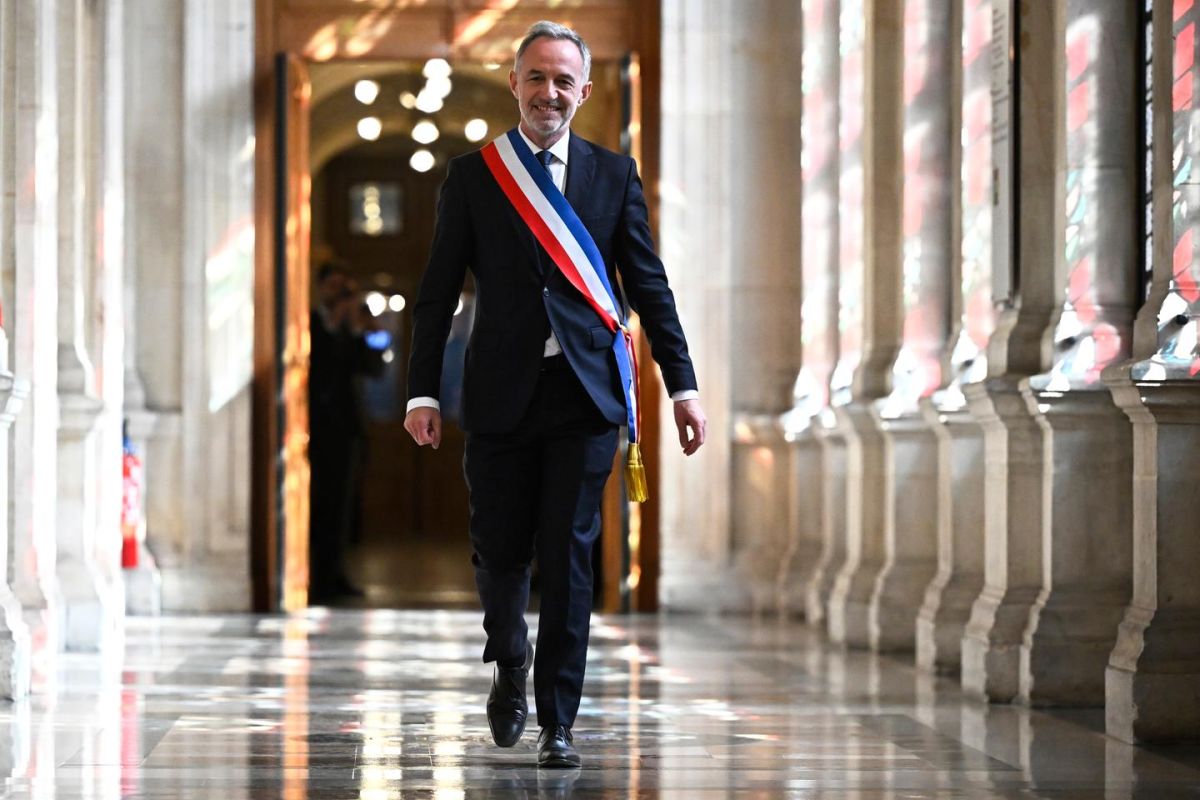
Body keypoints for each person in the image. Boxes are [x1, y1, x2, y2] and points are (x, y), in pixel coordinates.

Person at [404, 21, 706, 768]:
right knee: (500, 547)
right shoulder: (474, 177)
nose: (549, 93)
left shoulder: (613, 175)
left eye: (563, 81)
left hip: (585, 396)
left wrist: (683, 385)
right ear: (514, 83)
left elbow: (649, 287)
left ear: (584, 91)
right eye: (536, 78)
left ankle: (557, 721)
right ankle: (509, 655)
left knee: (569, 557)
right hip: (501, 394)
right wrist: (421, 394)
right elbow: (437, 294)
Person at [309, 265, 382, 603]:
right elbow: (319, 370)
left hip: (347, 432)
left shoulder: (351, 328)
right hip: (316, 430)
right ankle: (314, 577)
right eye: (334, 287)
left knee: (342, 508)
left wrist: (357, 330)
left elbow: (375, 369)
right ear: (321, 287)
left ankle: (334, 574)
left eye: (344, 288)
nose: (340, 295)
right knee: (318, 507)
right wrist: (336, 324)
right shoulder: (310, 323)